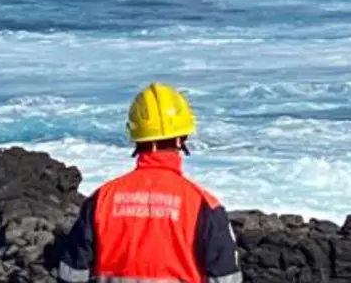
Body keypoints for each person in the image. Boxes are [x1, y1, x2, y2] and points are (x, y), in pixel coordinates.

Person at [56, 83, 242, 283]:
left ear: (135, 137)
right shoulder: (203, 205)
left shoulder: (102, 199)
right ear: (183, 138)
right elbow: (226, 279)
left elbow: (72, 274)